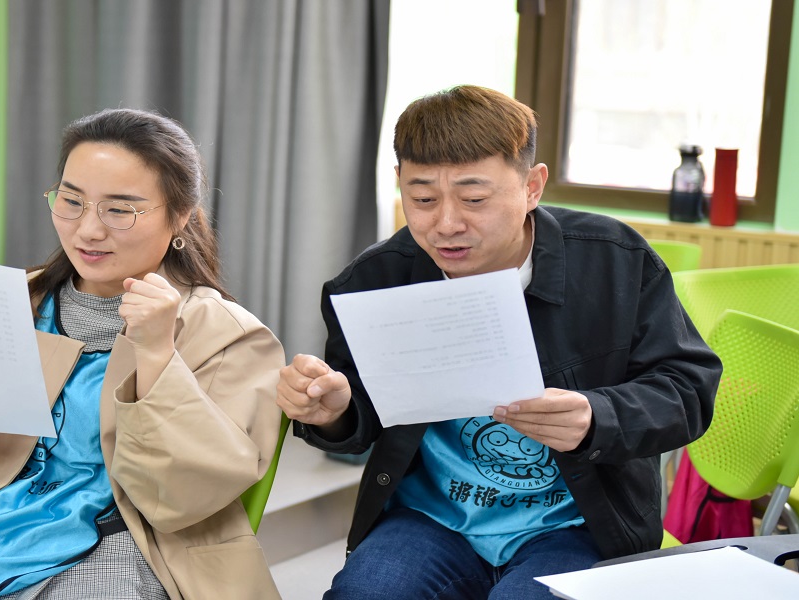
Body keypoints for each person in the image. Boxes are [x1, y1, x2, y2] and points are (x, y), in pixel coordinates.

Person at [276, 85, 722, 599]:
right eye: (422, 199)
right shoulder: (374, 280)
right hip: (430, 519)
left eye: (474, 199)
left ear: (532, 187)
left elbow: (688, 388)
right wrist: (334, 412)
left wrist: (596, 416)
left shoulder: (615, 261)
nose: (446, 224)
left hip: (579, 525)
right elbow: (360, 416)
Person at [0, 108, 285, 600]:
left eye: (119, 210)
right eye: (72, 201)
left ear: (181, 215)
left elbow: (187, 495)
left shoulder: (228, 336)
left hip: (132, 542)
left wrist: (156, 354)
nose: (88, 230)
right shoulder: (8, 302)